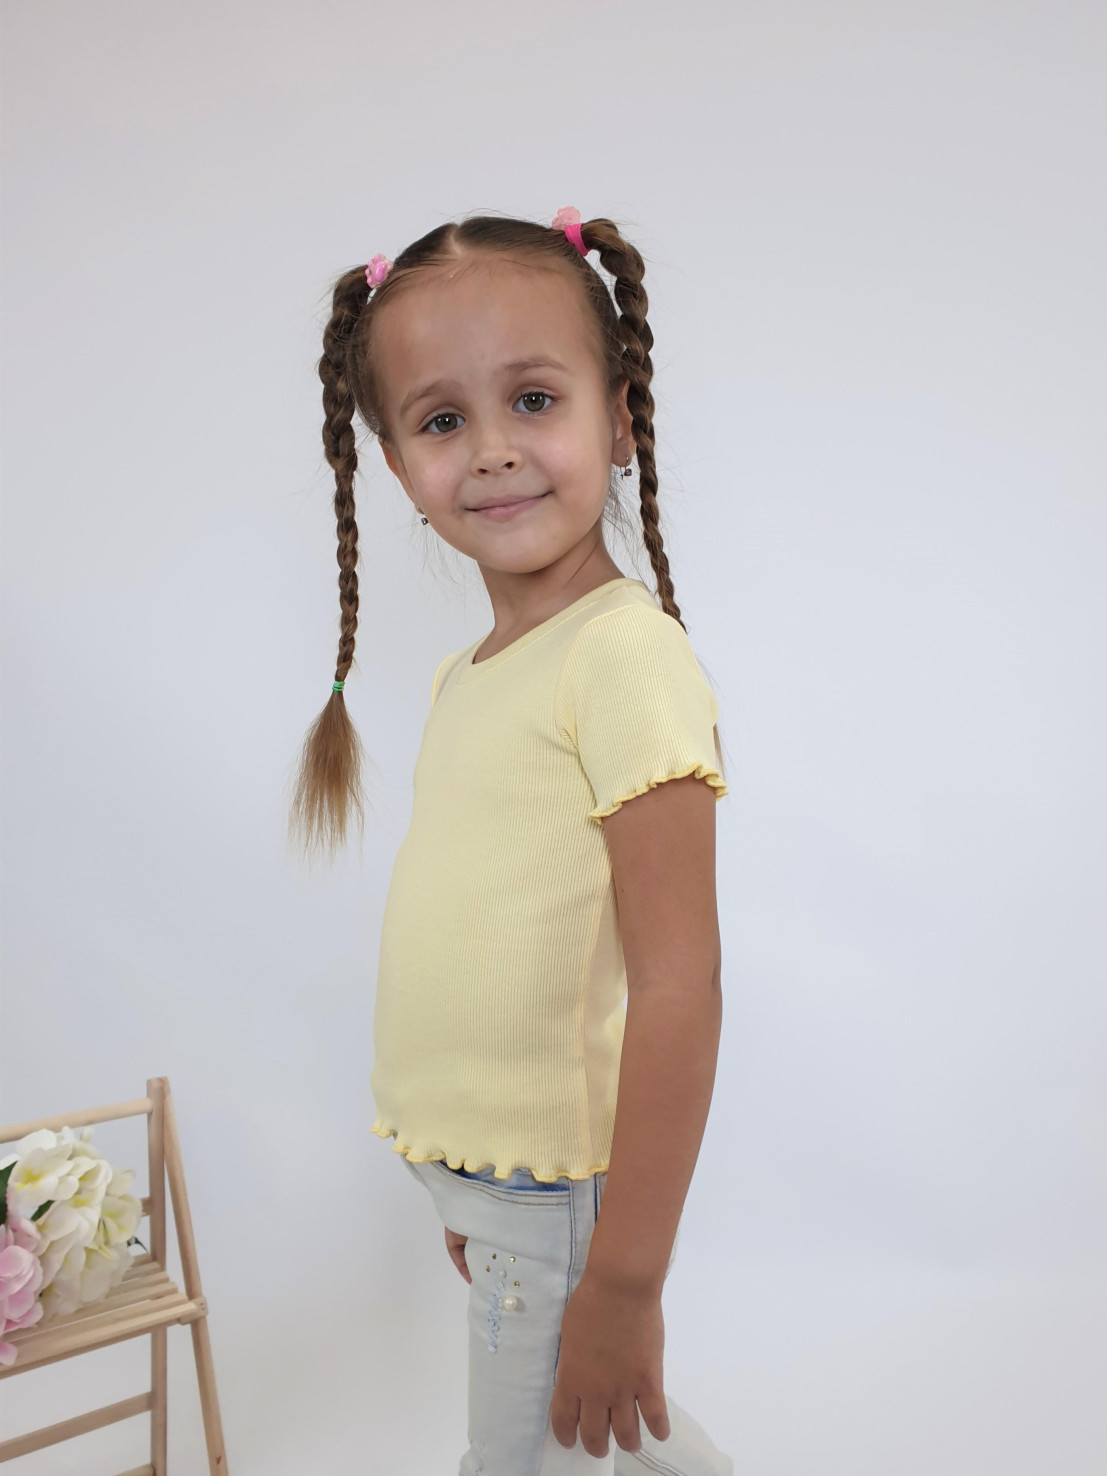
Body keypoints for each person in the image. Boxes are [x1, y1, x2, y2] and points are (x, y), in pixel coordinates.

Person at [288, 206, 735, 1475]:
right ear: (395, 464)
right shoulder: (469, 673)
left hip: (551, 1196)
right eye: (442, 420)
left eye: (534, 400)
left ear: (619, 416)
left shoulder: (623, 657)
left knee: (531, 1454)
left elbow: (682, 986)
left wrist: (626, 1280)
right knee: (599, 1437)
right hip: (504, 1188)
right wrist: (471, 1180)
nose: (491, 451)